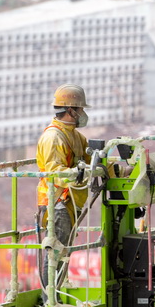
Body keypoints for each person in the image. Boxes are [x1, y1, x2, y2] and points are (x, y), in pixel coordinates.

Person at [37, 83, 92, 289]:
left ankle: (56, 294)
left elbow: (91, 159)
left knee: (63, 251)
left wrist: (121, 170)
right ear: (70, 109)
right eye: (80, 109)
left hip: (69, 202)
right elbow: (54, 171)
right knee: (55, 251)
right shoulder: (53, 137)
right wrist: (78, 174)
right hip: (56, 202)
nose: (83, 113)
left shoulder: (74, 135)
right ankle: (49, 299)